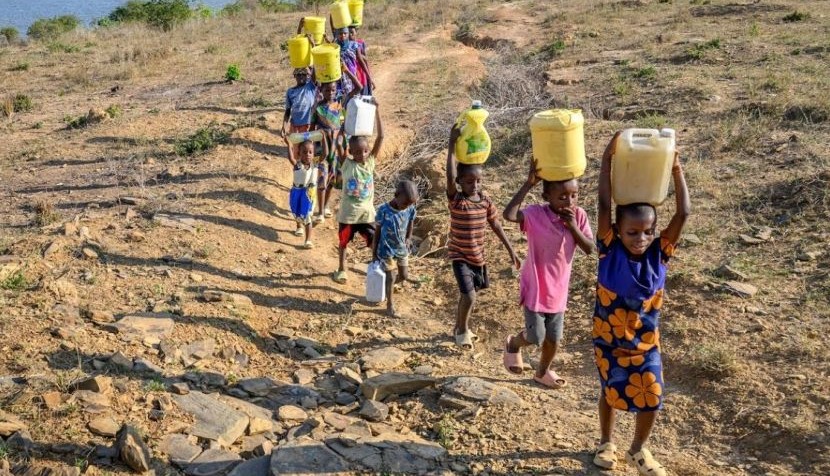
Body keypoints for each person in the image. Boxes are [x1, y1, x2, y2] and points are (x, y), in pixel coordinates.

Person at [591, 132, 690, 475]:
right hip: (609, 341)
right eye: (632, 232)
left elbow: (684, 212)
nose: (641, 238)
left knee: (652, 393)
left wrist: (676, 168)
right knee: (609, 391)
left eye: (647, 232)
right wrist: (606, 161)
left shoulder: (659, 255)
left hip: (646, 344)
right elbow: (604, 205)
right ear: (618, 231)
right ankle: (606, 442)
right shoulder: (608, 250)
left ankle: (638, 450)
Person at [501, 159, 594, 388]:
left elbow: (590, 248)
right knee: (536, 337)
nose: (569, 201)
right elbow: (509, 215)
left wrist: (572, 226)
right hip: (536, 286)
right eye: (562, 197)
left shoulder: (579, 216)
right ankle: (513, 343)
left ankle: (542, 372)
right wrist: (528, 184)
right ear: (546, 198)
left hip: (559, 290)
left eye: (574, 195)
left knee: (554, 338)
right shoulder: (535, 214)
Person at [446, 125, 520, 349]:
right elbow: (449, 175)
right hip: (459, 256)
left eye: (478, 181)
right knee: (469, 296)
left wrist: (512, 251)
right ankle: (461, 331)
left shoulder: (485, 201)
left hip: (478, 257)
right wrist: (451, 144)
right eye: (469, 182)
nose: (475, 185)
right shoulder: (457, 200)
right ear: (460, 182)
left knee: (469, 295)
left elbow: (496, 224)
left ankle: (459, 325)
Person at [333, 98, 383, 283]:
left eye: (365, 151)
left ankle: (375, 267)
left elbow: (381, 138)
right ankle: (341, 269)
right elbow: (339, 142)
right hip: (347, 215)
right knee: (343, 242)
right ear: (351, 152)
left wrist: (377, 112)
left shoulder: (370, 163)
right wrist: (345, 122)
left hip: (366, 214)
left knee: (374, 242)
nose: (362, 154)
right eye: (358, 151)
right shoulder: (347, 164)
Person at [312, 73, 361, 223]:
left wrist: (345, 71)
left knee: (332, 179)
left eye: (333, 90)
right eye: (327, 90)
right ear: (321, 91)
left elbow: (358, 87)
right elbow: (311, 127)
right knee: (322, 177)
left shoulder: (340, 103)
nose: (330, 93)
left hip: (339, 146)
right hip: (322, 147)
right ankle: (319, 212)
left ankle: (325, 206)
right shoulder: (317, 108)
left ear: (336, 90)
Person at [373, 181, 418, 318]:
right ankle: (390, 305)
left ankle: (387, 288)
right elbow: (377, 232)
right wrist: (374, 253)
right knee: (391, 276)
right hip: (386, 249)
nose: (407, 207)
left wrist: (409, 238)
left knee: (404, 275)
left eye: (410, 204)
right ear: (396, 195)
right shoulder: (384, 210)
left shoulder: (409, 207)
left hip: (401, 248)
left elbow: (411, 220)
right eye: (405, 203)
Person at [282, 134, 327, 249]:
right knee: (296, 211)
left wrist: (324, 139)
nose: (308, 155)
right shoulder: (298, 165)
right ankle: (299, 226)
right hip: (296, 191)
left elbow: (325, 154)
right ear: (299, 154)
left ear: (313, 154)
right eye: (305, 152)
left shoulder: (315, 165)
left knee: (307, 215)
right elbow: (290, 158)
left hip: (309, 193)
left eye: (310, 152)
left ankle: (308, 240)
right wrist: (289, 145)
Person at [281, 67, 318, 142]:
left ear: (307, 75)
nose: (301, 76)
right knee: (295, 145)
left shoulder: (310, 86)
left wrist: (312, 62)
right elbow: (287, 111)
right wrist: (284, 126)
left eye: (303, 74)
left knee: (306, 145)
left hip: (308, 124)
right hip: (294, 124)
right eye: (298, 74)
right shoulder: (290, 91)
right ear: (294, 76)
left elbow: (315, 74)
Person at [349, 24, 375, 95]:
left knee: (365, 99)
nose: (350, 35)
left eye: (352, 32)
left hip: (362, 75)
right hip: (353, 76)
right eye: (348, 33)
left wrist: (369, 77)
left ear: (356, 33)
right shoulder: (346, 47)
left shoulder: (360, 43)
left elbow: (365, 61)